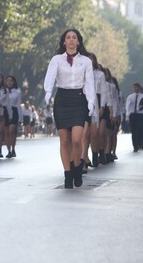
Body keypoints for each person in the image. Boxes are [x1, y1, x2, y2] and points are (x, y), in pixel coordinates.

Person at [43, 29, 95, 189]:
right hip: (62, 100)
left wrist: (91, 102)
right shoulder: (56, 59)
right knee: (65, 141)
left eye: (74, 37)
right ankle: (68, 173)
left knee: (77, 140)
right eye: (68, 37)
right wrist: (48, 94)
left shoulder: (86, 61)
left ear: (78, 41)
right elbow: (50, 77)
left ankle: (77, 167)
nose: (71, 40)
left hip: (79, 100)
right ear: (64, 42)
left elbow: (89, 83)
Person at [126, 83, 143, 153]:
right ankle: (135, 145)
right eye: (134, 87)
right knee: (134, 131)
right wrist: (127, 115)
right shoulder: (130, 97)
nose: (135, 89)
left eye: (136, 87)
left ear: (139, 88)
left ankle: (140, 143)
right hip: (133, 115)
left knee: (139, 129)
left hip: (140, 115)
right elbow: (127, 106)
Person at [5, 75, 22, 158]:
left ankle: (13, 149)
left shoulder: (17, 92)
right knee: (7, 132)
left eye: (11, 81)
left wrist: (20, 118)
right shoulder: (3, 91)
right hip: (5, 111)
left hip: (14, 110)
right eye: (7, 80)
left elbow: (18, 105)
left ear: (14, 82)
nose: (9, 82)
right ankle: (8, 151)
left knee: (12, 131)